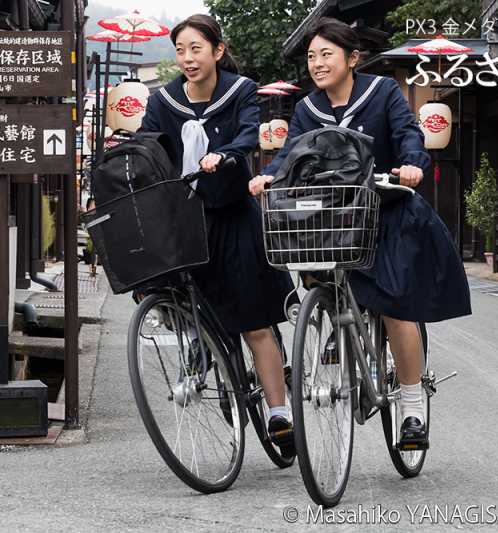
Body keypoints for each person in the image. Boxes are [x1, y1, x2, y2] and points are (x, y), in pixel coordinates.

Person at [250, 17, 471, 448]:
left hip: (385, 212)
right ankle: (337, 322)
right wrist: (270, 176)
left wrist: (411, 165)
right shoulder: (307, 109)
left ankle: (411, 407)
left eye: (326, 54)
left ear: (352, 59)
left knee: (396, 308)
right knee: (315, 270)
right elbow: (291, 155)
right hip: (336, 219)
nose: (317, 63)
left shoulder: (383, 92)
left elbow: (409, 136)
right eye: (312, 56)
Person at [140, 14, 296, 457]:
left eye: (196, 49)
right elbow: (151, 145)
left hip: (232, 216)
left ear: (217, 51)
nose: (187, 58)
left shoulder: (240, 90)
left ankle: (278, 412)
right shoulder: (163, 100)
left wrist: (226, 154)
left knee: (253, 322)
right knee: (192, 309)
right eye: (180, 50)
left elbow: (250, 133)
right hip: (186, 220)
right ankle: (204, 359)